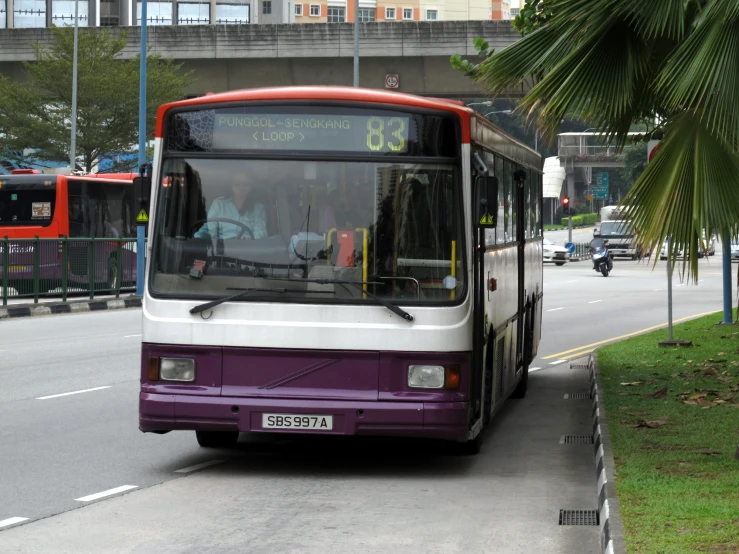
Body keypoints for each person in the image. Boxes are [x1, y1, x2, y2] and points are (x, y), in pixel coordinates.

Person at [195, 175, 268, 240]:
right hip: (222, 249)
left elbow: (261, 232)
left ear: (251, 187)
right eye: (237, 183)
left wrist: (250, 239)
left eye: (245, 184)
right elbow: (209, 229)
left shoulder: (258, 207)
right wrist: (199, 238)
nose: (241, 187)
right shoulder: (219, 204)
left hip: (247, 248)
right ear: (231, 185)